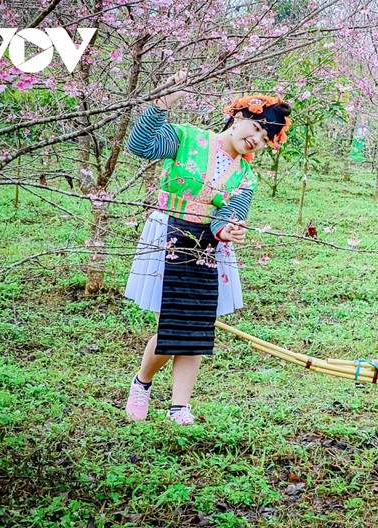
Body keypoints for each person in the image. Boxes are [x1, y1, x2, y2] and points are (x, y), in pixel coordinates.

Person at [123, 70, 291, 425]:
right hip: (169, 230)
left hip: (207, 245)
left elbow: (228, 215)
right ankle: (143, 382)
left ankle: (179, 405)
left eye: (264, 140)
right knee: (173, 320)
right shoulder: (187, 138)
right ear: (239, 117)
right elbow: (140, 145)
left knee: (198, 323)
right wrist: (160, 106)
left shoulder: (246, 178)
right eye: (257, 129)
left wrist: (226, 231)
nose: (256, 140)